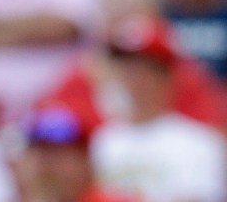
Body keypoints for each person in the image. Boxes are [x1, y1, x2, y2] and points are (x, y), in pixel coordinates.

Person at [89, 14, 227, 201]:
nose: (133, 78)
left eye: (142, 68)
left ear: (166, 76)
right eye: (125, 66)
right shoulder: (101, 140)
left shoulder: (199, 143)